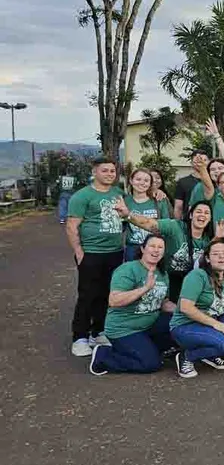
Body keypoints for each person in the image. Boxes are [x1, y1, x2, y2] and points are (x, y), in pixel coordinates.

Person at [88, 235, 176, 375]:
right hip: (124, 329)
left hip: (148, 325)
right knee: (151, 364)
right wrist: (145, 288)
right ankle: (104, 356)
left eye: (160, 247)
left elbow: (164, 303)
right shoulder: (128, 269)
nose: (156, 250)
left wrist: (185, 311)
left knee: (178, 323)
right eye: (152, 246)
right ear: (142, 248)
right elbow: (114, 300)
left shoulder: (162, 273)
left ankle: (144, 349)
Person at [65, 157, 126, 357]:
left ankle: (98, 331)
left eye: (112, 171)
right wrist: (79, 253)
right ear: (95, 172)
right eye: (105, 170)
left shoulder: (118, 193)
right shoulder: (82, 196)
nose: (109, 174)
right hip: (91, 253)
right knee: (87, 295)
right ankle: (79, 337)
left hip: (115, 252)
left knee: (107, 294)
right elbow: (72, 226)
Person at [171, 240, 224, 378]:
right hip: (185, 325)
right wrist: (216, 324)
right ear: (208, 258)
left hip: (212, 320)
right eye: (216, 254)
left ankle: (211, 352)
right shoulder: (198, 276)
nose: (222, 257)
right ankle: (186, 356)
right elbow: (185, 308)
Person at [173, 149, 210, 220]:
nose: (201, 163)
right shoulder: (183, 182)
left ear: (208, 162)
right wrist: (178, 224)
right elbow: (178, 207)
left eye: (204, 160)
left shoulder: (213, 181)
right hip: (189, 222)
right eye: (197, 161)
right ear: (192, 163)